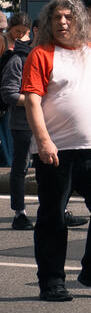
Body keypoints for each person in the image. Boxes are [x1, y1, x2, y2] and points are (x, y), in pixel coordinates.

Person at [20, 0, 91, 302]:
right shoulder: (41, 54)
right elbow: (32, 101)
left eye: (68, 17)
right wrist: (43, 140)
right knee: (53, 217)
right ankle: (51, 281)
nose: (62, 22)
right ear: (48, 23)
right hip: (56, 151)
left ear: (79, 21)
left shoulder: (90, 50)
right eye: (56, 18)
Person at [3, 12, 34, 229]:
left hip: (44, 121)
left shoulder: (37, 56)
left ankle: (58, 209)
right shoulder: (16, 58)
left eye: (24, 32)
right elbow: (9, 93)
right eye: (18, 32)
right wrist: (34, 101)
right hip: (22, 121)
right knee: (20, 166)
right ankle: (19, 212)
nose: (21, 36)